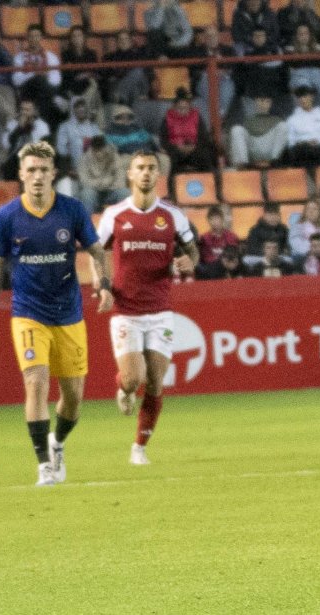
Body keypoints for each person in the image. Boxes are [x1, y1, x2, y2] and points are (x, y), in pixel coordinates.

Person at [0, 140, 113, 487]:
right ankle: (43, 465)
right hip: (27, 312)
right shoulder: (8, 215)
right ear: (21, 175)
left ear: (53, 174)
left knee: (73, 397)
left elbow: (98, 252)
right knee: (36, 382)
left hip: (68, 313)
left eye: (43, 170)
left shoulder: (71, 210)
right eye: (31, 170)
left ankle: (57, 443)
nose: (37, 176)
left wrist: (105, 284)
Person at [95, 151, 199, 466]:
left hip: (160, 310)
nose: (145, 173)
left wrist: (187, 262)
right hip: (126, 309)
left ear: (158, 175)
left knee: (155, 381)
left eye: (151, 168)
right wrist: (102, 285)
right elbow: (95, 251)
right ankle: (123, 390)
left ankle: (139, 447)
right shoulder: (114, 214)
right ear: (130, 174)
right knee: (132, 379)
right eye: (140, 168)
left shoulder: (172, 216)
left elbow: (193, 251)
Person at [161, 89, 214, 176]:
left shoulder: (196, 116)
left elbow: (203, 136)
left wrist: (193, 147)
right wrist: (177, 147)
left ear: (190, 107)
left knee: (205, 157)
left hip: (194, 148)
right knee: (169, 161)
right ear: (174, 107)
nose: (182, 111)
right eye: (179, 108)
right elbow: (163, 139)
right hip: (176, 150)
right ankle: (172, 187)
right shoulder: (167, 118)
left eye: (185, 108)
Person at [228, 95, 287, 168]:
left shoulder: (277, 120)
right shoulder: (249, 120)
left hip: (269, 153)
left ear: (270, 104)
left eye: (267, 102)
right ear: (256, 102)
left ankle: (274, 162)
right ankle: (242, 165)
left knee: (283, 126)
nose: (263, 104)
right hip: (253, 152)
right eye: (261, 101)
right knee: (236, 129)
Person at [77, 136, 128, 214]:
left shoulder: (114, 156)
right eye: (96, 150)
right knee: (86, 194)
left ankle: (125, 221)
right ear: (92, 149)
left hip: (111, 190)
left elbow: (120, 177)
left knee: (125, 192)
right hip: (94, 192)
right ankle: (87, 222)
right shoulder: (84, 159)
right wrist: (102, 183)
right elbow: (83, 181)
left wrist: (110, 184)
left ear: (105, 147)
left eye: (101, 149)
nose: (99, 153)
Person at [197, 205, 241, 271]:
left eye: (217, 218)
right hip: (212, 268)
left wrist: (231, 262)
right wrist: (221, 263)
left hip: (231, 265)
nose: (215, 222)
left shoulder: (231, 236)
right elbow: (206, 258)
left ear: (222, 219)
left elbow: (234, 253)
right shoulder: (205, 238)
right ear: (208, 221)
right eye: (212, 219)